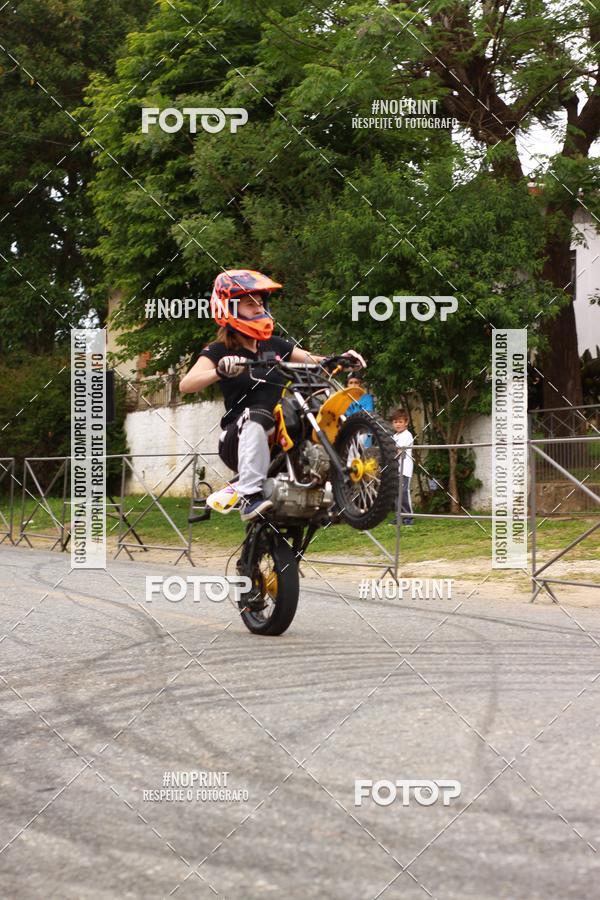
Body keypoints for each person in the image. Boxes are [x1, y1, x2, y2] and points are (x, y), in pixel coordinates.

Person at [179, 269, 365, 521]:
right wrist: (219, 372)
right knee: (259, 414)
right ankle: (250, 496)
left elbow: (313, 360)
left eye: (259, 302)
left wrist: (341, 359)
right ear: (229, 308)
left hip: (278, 440)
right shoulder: (219, 350)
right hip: (237, 438)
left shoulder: (275, 345)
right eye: (248, 303)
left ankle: (338, 493)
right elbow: (186, 384)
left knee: (313, 413)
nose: (257, 308)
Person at [389, 408, 414, 525]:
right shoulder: (394, 436)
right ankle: (399, 516)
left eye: (400, 422)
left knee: (404, 492)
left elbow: (399, 451)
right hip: (396, 470)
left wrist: (390, 454)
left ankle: (408, 517)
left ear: (406, 422)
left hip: (405, 469)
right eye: (395, 422)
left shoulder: (407, 435)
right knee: (396, 493)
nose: (398, 424)